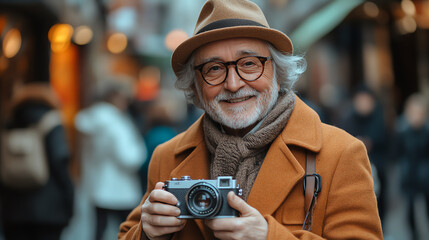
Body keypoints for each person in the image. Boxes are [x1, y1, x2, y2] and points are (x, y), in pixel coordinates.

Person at [118, 0, 383, 239]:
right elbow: (127, 234)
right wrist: (148, 234)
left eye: (249, 64)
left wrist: (269, 237)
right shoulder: (167, 157)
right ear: (196, 87)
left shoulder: (342, 154)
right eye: (214, 69)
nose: (233, 84)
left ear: (278, 72)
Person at [75, 78, 147, 240]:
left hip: (97, 185)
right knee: (129, 231)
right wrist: (139, 151)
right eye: (125, 98)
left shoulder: (90, 118)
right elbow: (130, 158)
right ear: (115, 97)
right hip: (119, 189)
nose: (127, 103)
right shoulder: (115, 123)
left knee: (99, 230)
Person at [0, 83, 75, 240]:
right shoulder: (51, 121)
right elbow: (60, 163)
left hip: (13, 209)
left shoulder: (9, 122)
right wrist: (70, 202)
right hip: (49, 208)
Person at [339, 85, 388, 223]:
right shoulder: (347, 119)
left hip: (378, 165)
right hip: (357, 169)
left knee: (380, 203)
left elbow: (386, 141)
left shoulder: (379, 117)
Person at [394, 93, 429, 240]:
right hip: (408, 173)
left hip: (425, 173)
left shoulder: (426, 130)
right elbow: (396, 152)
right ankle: (414, 235)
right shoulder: (401, 129)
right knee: (409, 209)